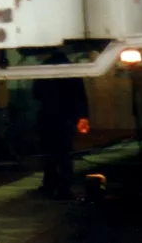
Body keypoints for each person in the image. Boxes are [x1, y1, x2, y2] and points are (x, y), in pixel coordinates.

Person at [32, 50, 89, 199]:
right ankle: (64, 187)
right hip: (66, 116)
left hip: (47, 115)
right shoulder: (71, 69)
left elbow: (36, 93)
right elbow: (80, 96)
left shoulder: (44, 68)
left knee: (48, 152)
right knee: (65, 153)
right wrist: (82, 117)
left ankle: (49, 184)